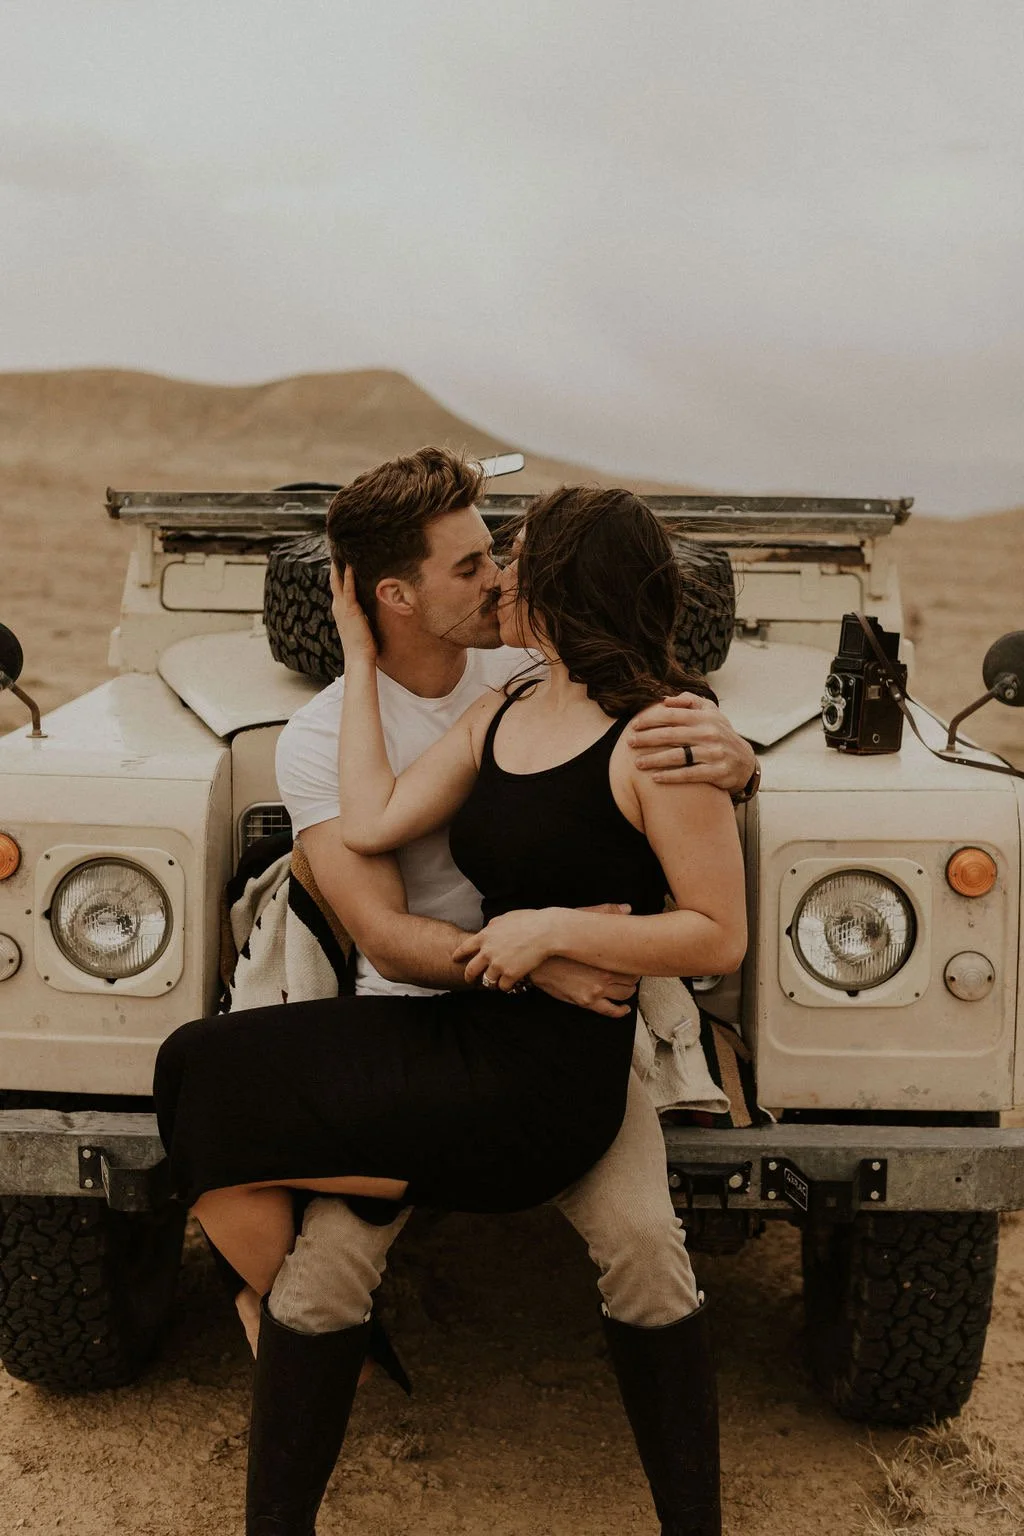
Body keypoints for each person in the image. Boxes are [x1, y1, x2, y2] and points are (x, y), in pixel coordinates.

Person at [155, 452, 754, 1536]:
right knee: (272, 1187)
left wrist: (735, 755)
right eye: (475, 563)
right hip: (432, 1015)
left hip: (568, 1046)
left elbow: (713, 906)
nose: (495, 581)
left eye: (507, 561)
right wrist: (527, 951)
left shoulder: (549, 690)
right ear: (394, 596)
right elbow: (378, 897)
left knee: (648, 1248)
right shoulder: (346, 734)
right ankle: (267, 1328)